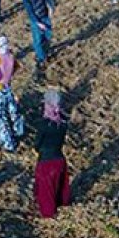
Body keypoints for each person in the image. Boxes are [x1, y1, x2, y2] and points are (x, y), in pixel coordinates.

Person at [34, 88, 72, 219]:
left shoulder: (44, 124)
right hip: (60, 160)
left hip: (46, 161)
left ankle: (49, 216)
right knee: (60, 186)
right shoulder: (62, 124)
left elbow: (37, 144)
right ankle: (63, 207)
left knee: (47, 191)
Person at [0, 36, 24, 151]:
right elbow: (17, 67)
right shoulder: (10, 57)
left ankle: (8, 143)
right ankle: (19, 132)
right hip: (7, 88)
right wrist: (8, 76)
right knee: (12, 111)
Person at [20, 0, 55, 70]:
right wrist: (38, 23)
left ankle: (47, 50)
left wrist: (50, 6)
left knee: (48, 35)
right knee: (38, 40)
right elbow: (30, 12)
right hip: (36, 20)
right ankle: (42, 58)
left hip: (45, 15)